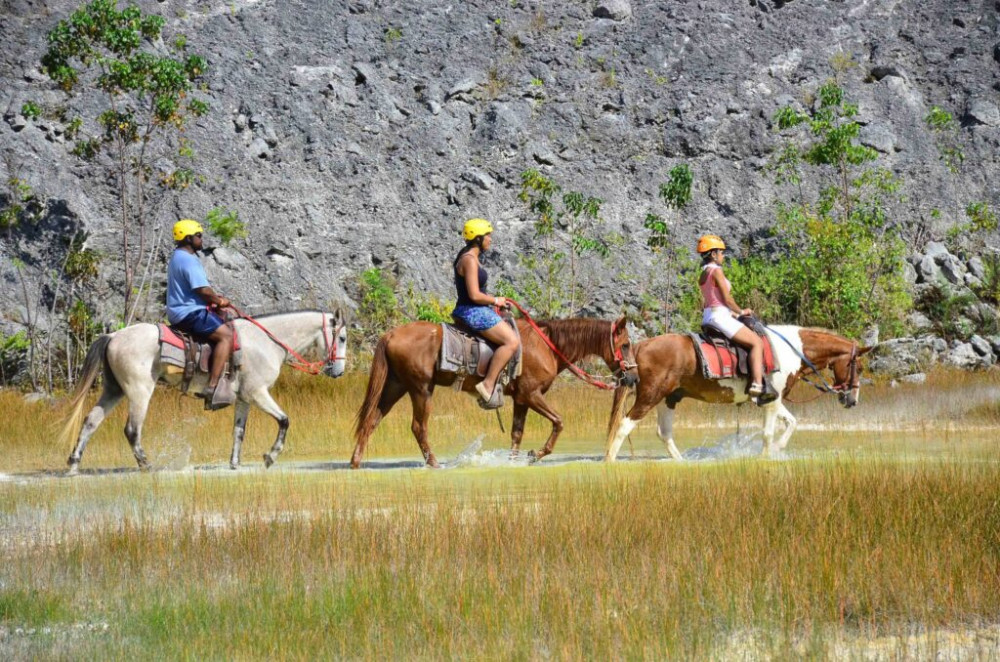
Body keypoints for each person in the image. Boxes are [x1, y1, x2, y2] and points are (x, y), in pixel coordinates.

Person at [452, 218, 519, 409]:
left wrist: (496, 301)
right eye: (488, 235)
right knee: (511, 341)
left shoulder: (468, 257)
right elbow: (474, 295)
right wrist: (495, 300)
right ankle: (488, 384)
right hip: (472, 310)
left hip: (475, 308)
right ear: (478, 238)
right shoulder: (469, 260)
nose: (490, 239)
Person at [167, 219, 234, 409]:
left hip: (177, 311)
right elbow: (203, 290)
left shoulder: (177, 256)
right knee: (226, 336)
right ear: (188, 238)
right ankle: (212, 388)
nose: (201, 239)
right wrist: (219, 301)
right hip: (189, 312)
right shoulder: (189, 259)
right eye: (198, 236)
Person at [697, 234, 765, 402]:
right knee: (757, 342)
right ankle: (757, 384)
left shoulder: (703, 273)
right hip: (720, 317)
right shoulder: (716, 271)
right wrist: (741, 311)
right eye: (721, 252)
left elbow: (714, 300)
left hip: (709, 317)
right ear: (713, 254)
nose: (723, 255)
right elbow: (727, 299)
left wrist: (733, 313)